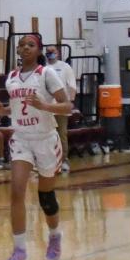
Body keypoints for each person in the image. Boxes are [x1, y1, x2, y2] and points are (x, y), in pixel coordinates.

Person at [4, 34, 72, 260]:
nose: (25, 48)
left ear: (38, 49)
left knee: (46, 197)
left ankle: (54, 236)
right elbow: (13, 109)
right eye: (22, 45)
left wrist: (45, 106)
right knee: (16, 192)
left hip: (45, 139)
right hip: (21, 138)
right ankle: (20, 249)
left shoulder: (47, 74)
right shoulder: (12, 77)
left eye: (30, 45)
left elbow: (67, 106)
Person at [45, 45, 77, 173]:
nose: (50, 53)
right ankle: (48, 161)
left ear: (57, 53)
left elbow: (72, 86)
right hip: (46, 107)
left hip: (61, 107)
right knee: (46, 135)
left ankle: (64, 160)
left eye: (52, 51)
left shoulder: (65, 67)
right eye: (48, 52)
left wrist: (70, 102)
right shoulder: (42, 68)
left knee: (61, 134)